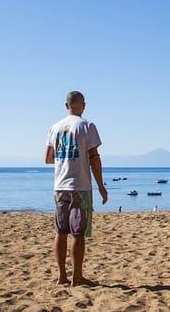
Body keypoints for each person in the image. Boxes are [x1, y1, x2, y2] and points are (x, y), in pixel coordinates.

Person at [44, 90, 108, 287]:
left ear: (66, 106)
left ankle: (62, 276)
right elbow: (94, 158)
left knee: (61, 231)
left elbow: (48, 158)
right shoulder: (87, 125)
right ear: (84, 105)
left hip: (60, 185)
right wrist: (100, 185)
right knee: (78, 233)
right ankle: (77, 277)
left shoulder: (54, 127)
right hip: (80, 185)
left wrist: (66, 158)